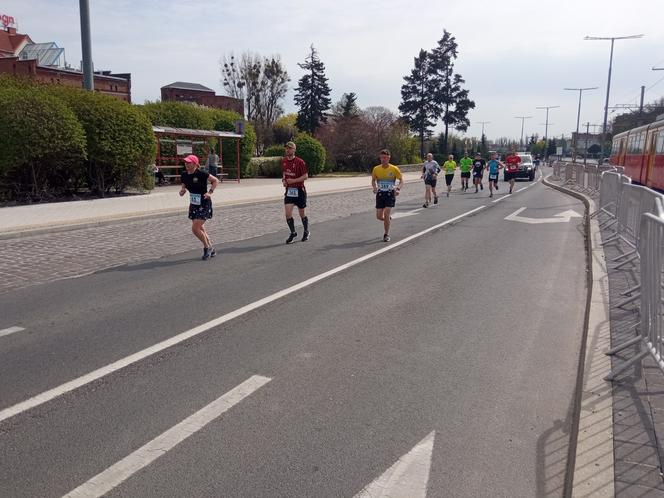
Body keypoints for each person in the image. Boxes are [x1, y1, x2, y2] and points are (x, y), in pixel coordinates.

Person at [179, 154, 219, 260]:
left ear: (195, 164)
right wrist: (183, 190)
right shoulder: (184, 174)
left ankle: (207, 248)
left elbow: (215, 181)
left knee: (195, 228)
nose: (186, 164)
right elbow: (184, 183)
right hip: (194, 204)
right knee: (200, 228)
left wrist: (210, 192)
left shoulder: (201, 174)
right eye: (185, 162)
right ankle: (211, 248)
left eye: (189, 162)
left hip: (204, 203)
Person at [372, 149, 403, 242]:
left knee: (386, 213)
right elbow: (373, 180)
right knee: (379, 216)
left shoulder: (394, 169)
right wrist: (374, 187)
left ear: (389, 158)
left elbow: (401, 180)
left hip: (390, 194)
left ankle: (386, 234)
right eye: (381, 158)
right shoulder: (376, 169)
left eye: (385, 157)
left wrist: (398, 189)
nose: (383, 159)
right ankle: (387, 220)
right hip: (380, 194)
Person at [282, 141, 309, 244]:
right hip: (289, 191)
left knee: (302, 214)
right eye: (286, 148)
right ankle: (293, 233)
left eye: (289, 148)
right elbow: (284, 173)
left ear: (294, 150)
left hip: (299, 190)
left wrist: (293, 181)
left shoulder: (300, 162)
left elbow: (305, 176)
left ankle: (306, 231)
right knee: (288, 213)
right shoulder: (284, 161)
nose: (287, 150)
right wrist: (284, 181)